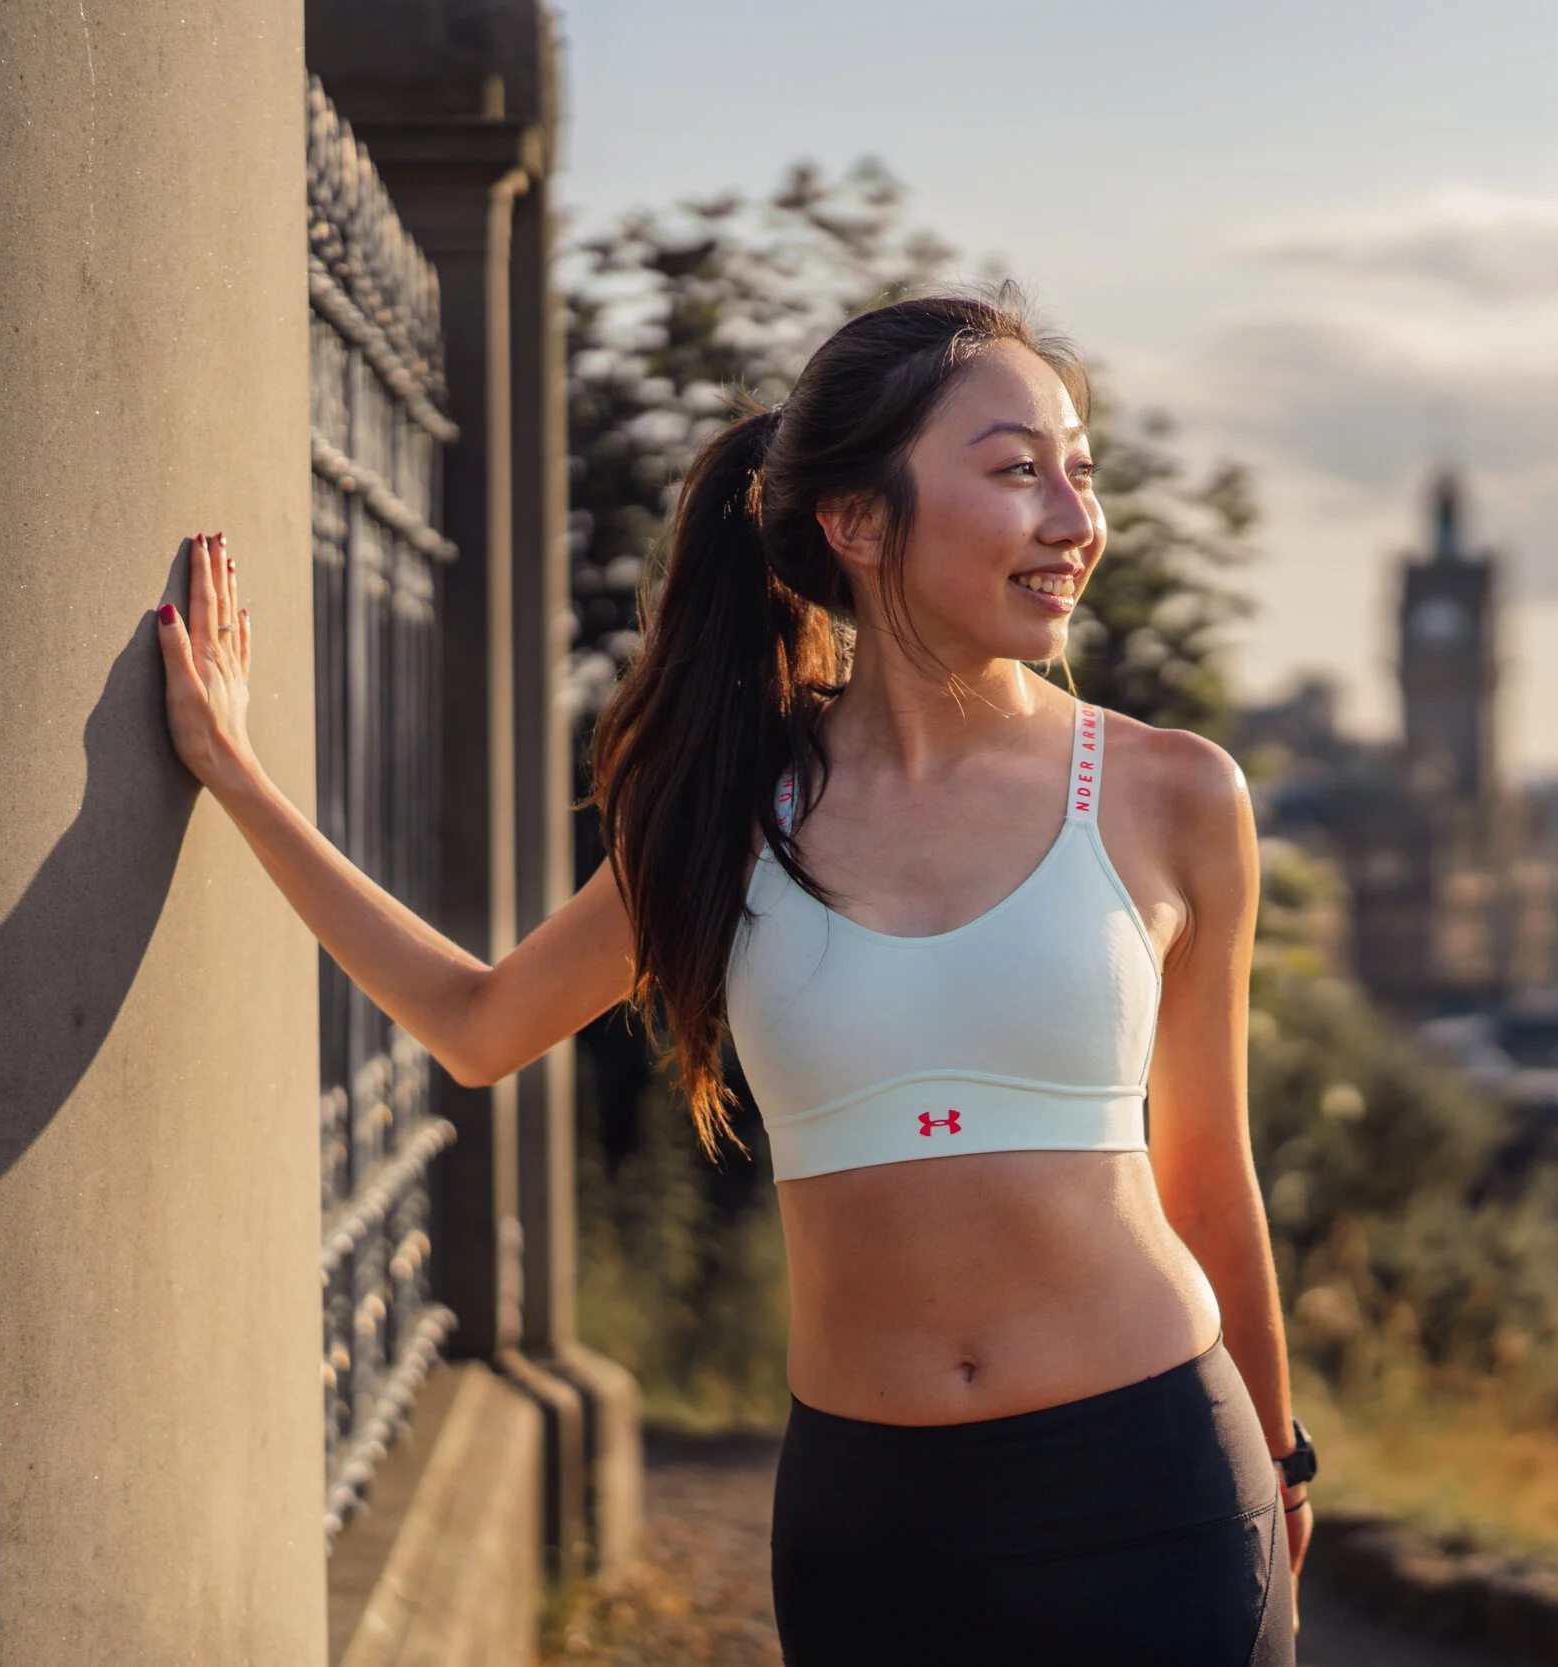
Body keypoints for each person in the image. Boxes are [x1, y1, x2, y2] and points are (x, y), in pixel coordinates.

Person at [155, 289, 1310, 1665]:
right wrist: (235, 773)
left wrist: (1279, 1457)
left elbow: (1206, 1167)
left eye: (1080, 468)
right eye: (1016, 471)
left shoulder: (1172, 792)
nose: (1076, 518)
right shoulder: (728, 813)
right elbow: (475, 1025)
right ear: (860, 522)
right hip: (873, 1523)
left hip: (1155, 1479)